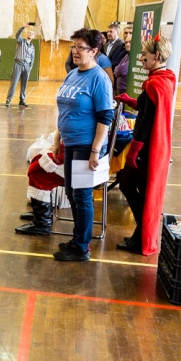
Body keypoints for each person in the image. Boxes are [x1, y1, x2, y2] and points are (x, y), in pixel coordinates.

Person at [52, 28, 114, 262]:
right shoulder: (74, 74)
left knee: (82, 195)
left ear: (94, 51)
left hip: (87, 144)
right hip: (71, 142)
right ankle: (79, 238)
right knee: (71, 192)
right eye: (73, 47)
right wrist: (58, 137)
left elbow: (105, 117)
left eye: (81, 47)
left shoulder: (99, 78)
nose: (75, 52)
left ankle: (81, 246)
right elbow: (64, 108)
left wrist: (96, 150)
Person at [115, 35, 176, 255]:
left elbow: (146, 120)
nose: (141, 59)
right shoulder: (164, 78)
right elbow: (145, 106)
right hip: (154, 147)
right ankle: (141, 234)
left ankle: (142, 236)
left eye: (144, 55)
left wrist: (133, 151)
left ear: (157, 56)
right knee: (129, 186)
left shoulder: (155, 82)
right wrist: (128, 100)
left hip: (147, 149)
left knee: (128, 185)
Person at [6, 23, 35, 107]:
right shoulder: (21, 41)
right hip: (18, 64)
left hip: (27, 66)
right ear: (27, 34)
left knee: (24, 84)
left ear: (33, 36)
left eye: (32, 33)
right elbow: (17, 35)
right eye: (29, 32)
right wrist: (23, 27)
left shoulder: (32, 46)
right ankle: (8, 99)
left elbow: (32, 57)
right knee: (14, 83)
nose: (30, 34)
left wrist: (30, 66)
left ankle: (22, 100)